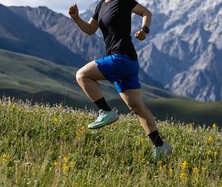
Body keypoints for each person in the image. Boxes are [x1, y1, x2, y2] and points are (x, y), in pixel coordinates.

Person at [69, 0, 172, 159]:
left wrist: (144, 30)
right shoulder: (101, 5)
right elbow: (90, 29)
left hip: (121, 58)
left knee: (82, 75)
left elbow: (146, 12)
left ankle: (105, 111)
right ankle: (160, 146)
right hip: (127, 62)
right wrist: (76, 19)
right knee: (137, 108)